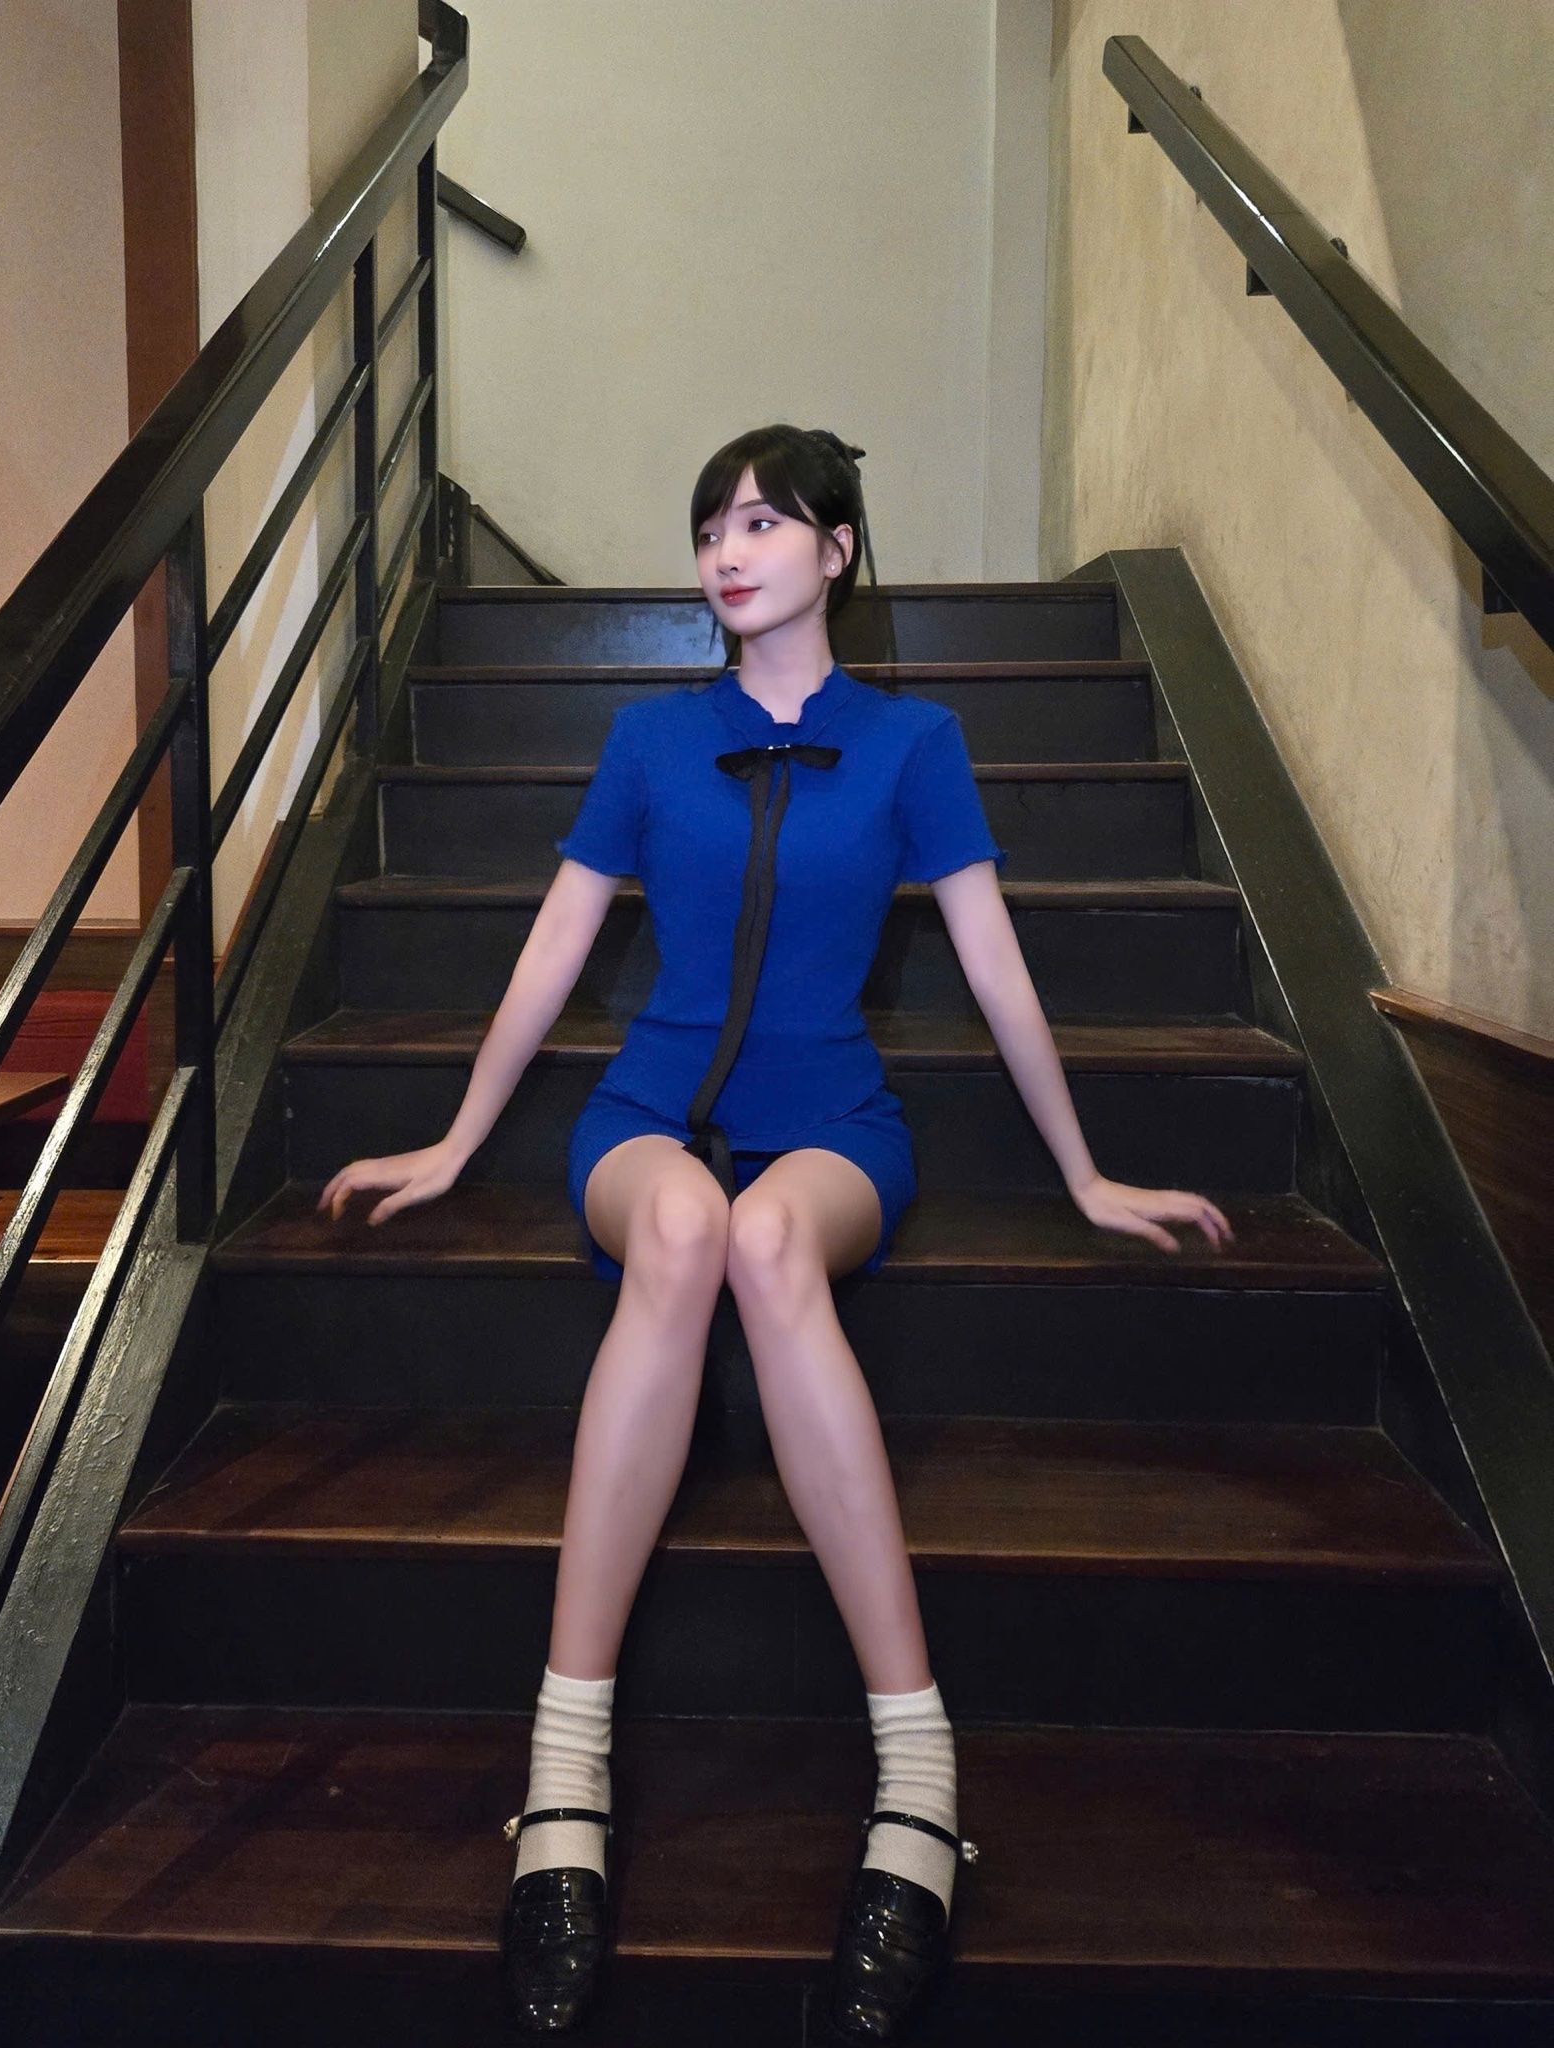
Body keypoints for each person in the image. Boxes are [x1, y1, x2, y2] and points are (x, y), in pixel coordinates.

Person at [318, 423, 1236, 2042]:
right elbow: (554, 944)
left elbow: (997, 964)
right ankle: (564, 1772)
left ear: (838, 549)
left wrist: (1088, 1173)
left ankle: (919, 1773)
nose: (727, 552)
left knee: (762, 1238)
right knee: (685, 1229)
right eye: (709, 529)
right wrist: (460, 1138)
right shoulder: (651, 738)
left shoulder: (914, 742)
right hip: (647, 1112)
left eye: (760, 521)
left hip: (834, 1125)